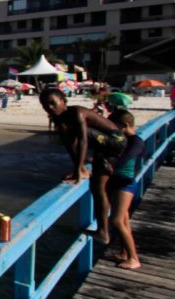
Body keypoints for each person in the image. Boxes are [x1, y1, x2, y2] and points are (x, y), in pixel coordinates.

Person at [40, 88, 127, 244]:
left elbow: (82, 140)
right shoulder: (60, 120)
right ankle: (103, 230)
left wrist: (79, 171)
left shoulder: (77, 113)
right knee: (96, 187)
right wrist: (77, 167)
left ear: (64, 101)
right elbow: (69, 144)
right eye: (45, 105)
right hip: (102, 147)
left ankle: (103, 231)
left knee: (99, 189)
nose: (49, 108)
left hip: (116, 142)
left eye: (53, 103)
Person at [105, 110, 145, 270]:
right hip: (118, 182)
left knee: (116, 220)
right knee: (124, 220)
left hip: (125, 184)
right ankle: (124, 253)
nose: (113, 130)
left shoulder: (136, 142)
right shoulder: (125, 140)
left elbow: (124, 160)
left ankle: (134, 258)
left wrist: (108, 163)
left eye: (115, 126)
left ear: (126, 125)